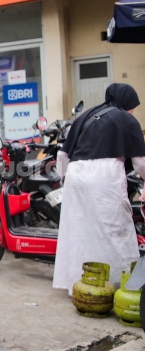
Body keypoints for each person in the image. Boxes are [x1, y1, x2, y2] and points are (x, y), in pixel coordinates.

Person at [53, 83, 145, 295]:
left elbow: (62, 155)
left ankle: (77, 284)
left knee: (79, 232)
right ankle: (119, 283)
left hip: (75, 173)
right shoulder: (126, 119)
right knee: (115, 228)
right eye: (133, 106)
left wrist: (66, 178)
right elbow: (140, 164)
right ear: (127, 102)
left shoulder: (86, 115)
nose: (132, 111)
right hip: (105, 174)